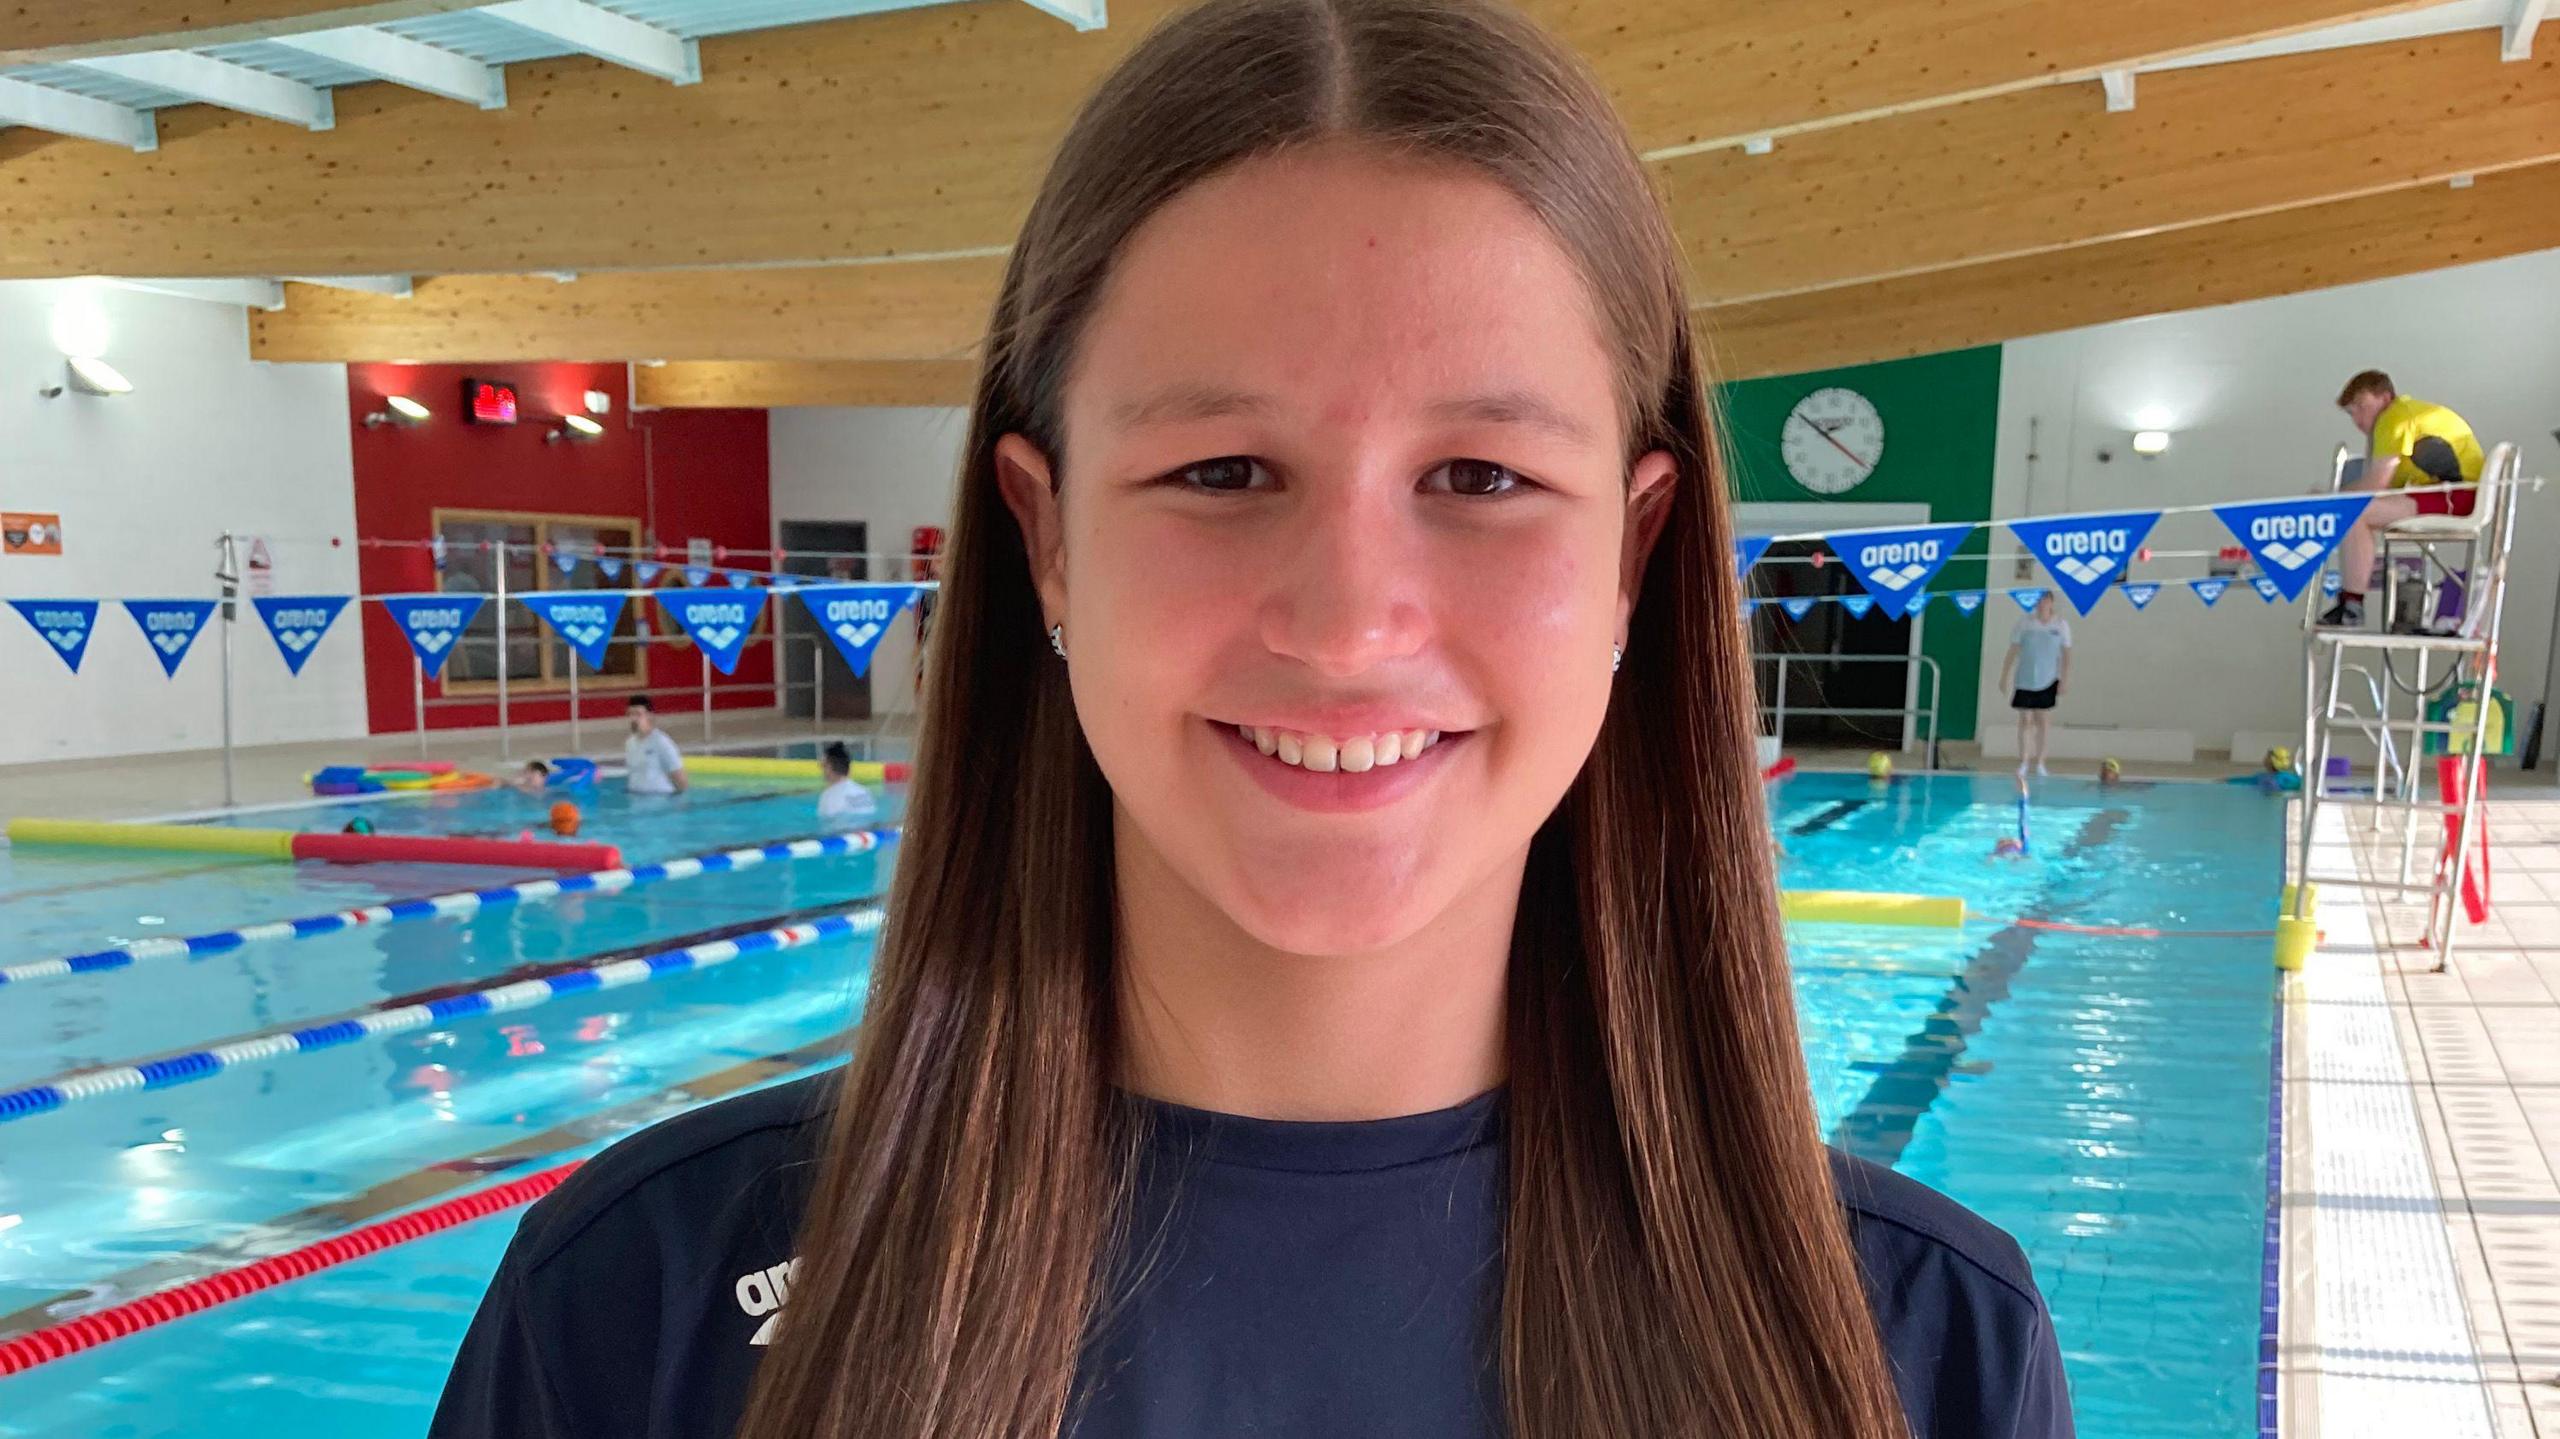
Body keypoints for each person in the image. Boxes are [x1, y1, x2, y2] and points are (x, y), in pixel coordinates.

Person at [432, 4, 2070, 1437]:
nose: (1350, 617)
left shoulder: (1918, 1351)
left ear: (1634, 550)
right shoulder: (643, 1309)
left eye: (1482, 477)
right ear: (1049, 536)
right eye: (1220, 471)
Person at [2323, 370, 2485, 629]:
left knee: (2356, 512)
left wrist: (2328, 502)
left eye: (2362, 407)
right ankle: (2351, 602)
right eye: (2351, 412)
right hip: (2453, 492)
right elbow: (2386, 492)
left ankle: (2351, 606)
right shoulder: (2405, 419)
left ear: (2385, 398)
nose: (2358, 418)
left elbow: (2376, 485)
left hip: (2459, 494)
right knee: (2357, 511)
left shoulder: (2394, 418)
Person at [1999, 592, 2071, 778]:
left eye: (2045, 600)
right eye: (2038, 601)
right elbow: (2013, 651)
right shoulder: (2024, 623)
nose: (2041, 604)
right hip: (2025, 678)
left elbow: (2066, 656)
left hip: (2048, 679)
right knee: (2025, 721)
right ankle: (2024, 761)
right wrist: (2004, 676)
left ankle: (2040, 762)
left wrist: (2064, 679)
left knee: (2043, 722)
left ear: (2051, 602)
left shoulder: (2060, 625)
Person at [621, 695, 686, 796]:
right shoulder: (629, 743)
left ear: (650, 716)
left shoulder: (662, 742)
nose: (633, 718)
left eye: (638, 714)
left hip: (659, 801)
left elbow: (680, 778)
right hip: (636, 801)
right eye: (630, 714)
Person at [814, 740, 876, 828]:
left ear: (829, 768)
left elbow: (825, 826)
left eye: (822, 766)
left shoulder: (829, 796)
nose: (821, 770)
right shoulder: (865, 792)